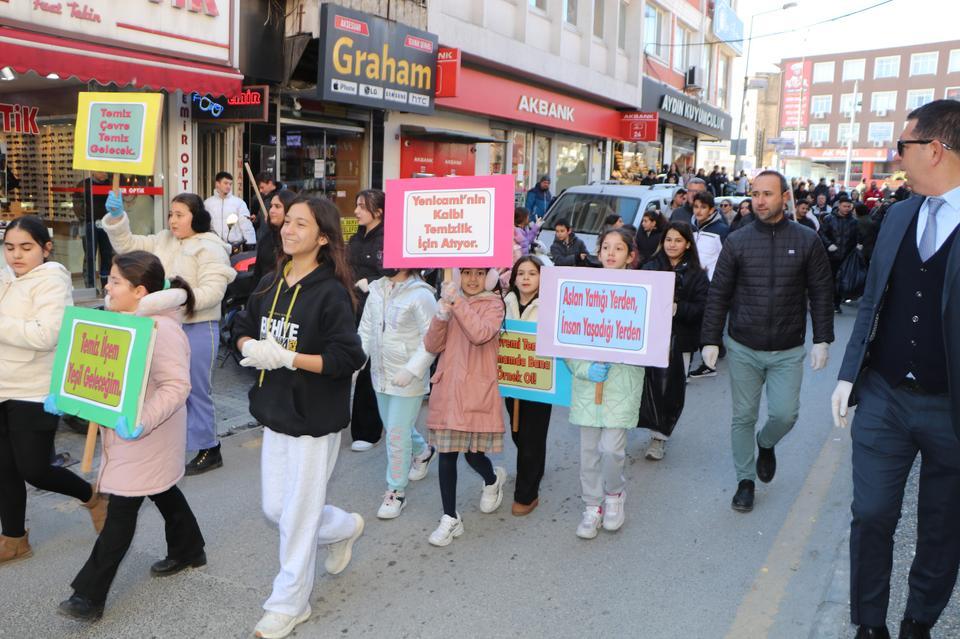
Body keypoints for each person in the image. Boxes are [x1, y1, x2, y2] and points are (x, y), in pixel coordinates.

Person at [831, 100, 960, 639]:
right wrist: (846, 373)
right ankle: (869, 624)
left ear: (934, 149)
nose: (896, 157)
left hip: (951, 409)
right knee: (873, 513)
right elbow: (875, 300)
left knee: (942, 527)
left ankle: (918, 622)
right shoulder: (899, 214)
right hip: (885, 394)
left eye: (902, 147)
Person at [235, 196, 366, 639]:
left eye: (300, 224)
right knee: (276, 508)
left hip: (315, 418)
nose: (288, 230)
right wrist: (250, 347)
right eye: (287, 222)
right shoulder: (272, 281)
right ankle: (344, 526)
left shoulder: (331, 292)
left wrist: (291, 358)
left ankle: (288, 604)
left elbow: (348, 357)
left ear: (322, 237)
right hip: (275, 412)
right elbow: (241, 326)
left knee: (296, 517)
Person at [59, 252, 204, 621]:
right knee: (162, 490)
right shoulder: (119, 320)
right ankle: (189, 549)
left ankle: (88, 596)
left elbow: (176, 385)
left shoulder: (163, 329)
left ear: (140, 291)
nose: (107, 286)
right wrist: (69, 393)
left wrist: (143, 421)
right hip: (125, 435)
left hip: (147, 434)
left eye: (115, 281)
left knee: (121, 512)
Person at [700, 170, 834, 513]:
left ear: (784, 197)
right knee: (742, 416)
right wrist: (710, 339)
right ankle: (745, 481)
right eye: (755, 193)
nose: (759, 200)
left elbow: (821, 292)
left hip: (787, 350)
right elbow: (719, 294)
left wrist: (823, 339)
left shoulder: (807, 240)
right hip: (744, 346)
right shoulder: (738, 241)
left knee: (786, 414)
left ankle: (766, 442)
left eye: (767, 194)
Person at [102, 192, 236, 475]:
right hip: (161, 325)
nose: (173, 220)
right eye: (171, 214)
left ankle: (209, 447)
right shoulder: (162, 239)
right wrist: (117, 218)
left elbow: (212, 292)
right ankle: (177, 443)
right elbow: (129, 246)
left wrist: (175, 296)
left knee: (196, 390)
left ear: (196, 217)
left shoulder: (211, 248)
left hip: (197, 326)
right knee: (163, 389)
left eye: (180, 215)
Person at [0, 217, 106, 565]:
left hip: (33, 390)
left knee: (35, 469)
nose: (16, 255)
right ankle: (14, 538)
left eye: (26, 247)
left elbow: (47, 335)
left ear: (46, 248)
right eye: (10, 247)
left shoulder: (53, 281)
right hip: (2, 387)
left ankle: (90, 495)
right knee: (5, 469)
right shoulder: (5, 279)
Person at [567, 228, 645, 539]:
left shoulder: (643, 291)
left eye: (619, 248)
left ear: (630, 255)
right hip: (589, 387)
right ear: (599, 253)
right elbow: (567, 338)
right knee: (589, 452)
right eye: (606, 247)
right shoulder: (583, 289)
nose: (611, 253)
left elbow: (649, 344)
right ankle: (592, 505)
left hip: (622, 385)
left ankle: (614, 495)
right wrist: (586, 368)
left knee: (612, 449)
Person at [422, 268, 507, 546]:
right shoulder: (451, 299)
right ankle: (450, 517)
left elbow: (480, 333)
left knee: (472, 456)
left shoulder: (494, 304)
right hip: (448, 391)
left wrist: (457, 302)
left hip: (475, 393)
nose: (472, 279)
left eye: (479, 273)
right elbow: (432, 345)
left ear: (489, 277)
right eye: (467, 273)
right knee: (446, 455)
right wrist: (441, 315)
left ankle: (492, 479)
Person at [357, 268, 438, 519]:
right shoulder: (376, 289)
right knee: (393, 427)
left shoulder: (421, 295)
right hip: (381, 374)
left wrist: (412, 370)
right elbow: (366, 329)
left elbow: (432, 340)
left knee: (396, 434)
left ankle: (396, 491)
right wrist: (356, 362)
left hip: (408, 378)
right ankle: (424, 451)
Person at [640, 223, 709, 461]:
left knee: (670, 389)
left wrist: (678, 309)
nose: (672, 244)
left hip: (679, 340)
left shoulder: (697, 275)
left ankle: (659, 437)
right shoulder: (649, 267)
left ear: (688, 243)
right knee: (645, 386)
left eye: (678, 240)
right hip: (648, 338)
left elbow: (703, 307)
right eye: (668, 239)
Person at [503, 257, 552, 515]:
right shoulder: (504, 302)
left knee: (533, 436)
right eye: (520, 273)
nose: (525, 278)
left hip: (540, 382)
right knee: (518, 432)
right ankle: (532, 468)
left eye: (532, 273)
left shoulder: (550, 306)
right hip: (512, 379)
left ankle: (527, 494)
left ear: (542, 278)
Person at [347, 189, 386, 451]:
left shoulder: (388, 239)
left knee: (369, 368)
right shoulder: (356, 237)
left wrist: (371, 283)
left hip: (377, 311)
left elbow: (395, 275)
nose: (357, 211)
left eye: (362, 206)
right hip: (352, 307)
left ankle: (369, 431)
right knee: (352, 362)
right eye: (357, 205)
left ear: (379, 211)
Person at [819, 195, 860, 312]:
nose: (847, 208)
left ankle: (836, 304)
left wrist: (858, 245)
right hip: (831, 256)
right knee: (829, 280)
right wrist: (828, 244)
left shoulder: (854, 222)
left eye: (849, 206)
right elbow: (821, 233)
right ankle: (827, 303)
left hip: (846, 256)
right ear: (839, 206)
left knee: (841, 281)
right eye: (844, 206)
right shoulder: (829, 219)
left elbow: (857, 236)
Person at [75, 171, 114, 288]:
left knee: (107, 255)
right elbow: (77, 205)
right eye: (100, 170)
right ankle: (90, 286)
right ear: (92, 171)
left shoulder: (111, 184)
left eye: (105, 171)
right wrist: (85, 218)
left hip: (107, 224)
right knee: (90, 256)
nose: (103, 174)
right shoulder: (84, 184)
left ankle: (105, 285)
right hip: (90, 223)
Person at [253, 190, 296, 287]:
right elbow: (257, 274)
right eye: (271, 206)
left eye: (277, 206)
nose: (271, 210)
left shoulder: (297, 241)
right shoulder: (266, 238)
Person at [203, 171, 257, 247]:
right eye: (225, 183)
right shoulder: (207, 203)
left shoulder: (239, 203)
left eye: (230, 184)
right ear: (217, 184)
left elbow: (246, 224)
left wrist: (251, 242)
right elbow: (205, 226)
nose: (228, 186)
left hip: (234, 247)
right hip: (214, 246)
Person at [690, 190, 730, 280]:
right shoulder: (690, 228)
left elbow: (727, 260)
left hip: (711, 282)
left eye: (703, 207)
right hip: (692, 282)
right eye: (696, 207)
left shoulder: (722, 230)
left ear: (711, 210)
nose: (698, 211)